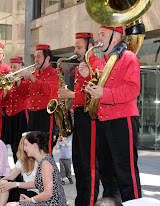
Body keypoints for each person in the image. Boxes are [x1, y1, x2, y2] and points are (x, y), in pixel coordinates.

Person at [84, 26, 142, 202]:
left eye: (103, 34)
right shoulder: (103, 62)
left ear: (115, 38)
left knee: (126, 173)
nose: (99, 38)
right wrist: (88, 79)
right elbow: (100, 89)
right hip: (103, 121)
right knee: (107, 172)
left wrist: (104, 93)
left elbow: (133, 89)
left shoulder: (128, 57)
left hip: (122, 120)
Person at [58, 32, 101, 205]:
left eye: (79, 47)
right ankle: (81, 200)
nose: (75, 51)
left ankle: (89, 201)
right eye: (75, 47)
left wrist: (71, 94)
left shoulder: (96, 64)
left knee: (90, 165)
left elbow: (94, 95)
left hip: (91, 117)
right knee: (79, 162)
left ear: (90, 47)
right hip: (81, 118)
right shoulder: (83, 64)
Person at [17, 44, 59, 154]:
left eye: (38, 57)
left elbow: (47, 90)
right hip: (33, 114)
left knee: (45, 147)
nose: (35, 60)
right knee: (34, 148)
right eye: (35, 57)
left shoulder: (54, 73)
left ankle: (49, 171)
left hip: (46, 113)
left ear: (47, 58)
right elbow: (22, 93)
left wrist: (31, 77)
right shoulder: (35, 74)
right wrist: (18, 80)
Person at [6, 131, 67, 206]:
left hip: (53, 203)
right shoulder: (43, 160)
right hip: (48, 201)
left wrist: (30, 200)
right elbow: (37, 184)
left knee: (12, 205)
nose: (24, 148)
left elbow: (48, 193)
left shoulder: (45, 163)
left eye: (26, 145)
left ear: (34, 145)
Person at [0, 134, 39, 206]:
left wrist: (15, 184)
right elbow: (11, 176)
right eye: (24, 145)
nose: (25, 148)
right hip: (25, 190)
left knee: (4, 187)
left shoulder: (39, 161)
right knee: (3, 184)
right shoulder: (22, 161)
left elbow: (37, 184)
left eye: (27, 145)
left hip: (37, 193)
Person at [1, 56, 29, 162]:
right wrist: (4, 89)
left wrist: (18, 80)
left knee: (21, 144)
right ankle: (17, 172)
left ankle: (25, 171)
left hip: (21, 114)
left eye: (15, 67)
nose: (12, 70)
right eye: (11, 67)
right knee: (13, 145)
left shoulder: (26, 80)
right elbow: (3, 102)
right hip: (10, 115)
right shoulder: (9, 82)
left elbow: (23, 93)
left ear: (21, 66)